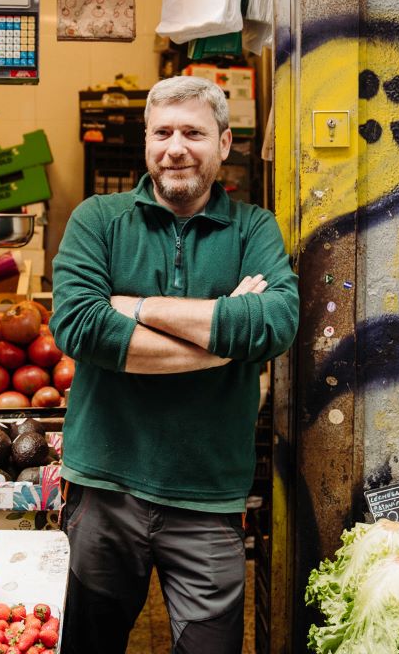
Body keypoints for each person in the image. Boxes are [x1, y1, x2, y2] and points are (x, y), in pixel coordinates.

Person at [50, 75, 299, 653]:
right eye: (161, 132)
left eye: (193, 132)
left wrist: (138, 307)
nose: (175, 147)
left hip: (208, 497)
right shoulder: (98, 220)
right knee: (85, 645)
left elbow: (275, 325)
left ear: (225, 142)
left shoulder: (253, 229)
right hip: (104, 489)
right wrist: (225, 335)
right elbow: (81, 326)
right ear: (145, 141)